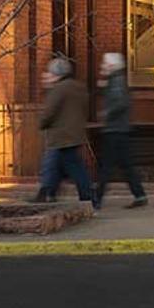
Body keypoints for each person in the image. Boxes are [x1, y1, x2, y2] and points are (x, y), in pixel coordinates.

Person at [32, 55, 95, 205]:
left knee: (68, 167)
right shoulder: (79, 87)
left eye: (51, 73)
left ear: (57, 74)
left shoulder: (59, 89)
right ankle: (48, 193)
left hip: (60, 136)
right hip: (74, 134)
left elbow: (50, 111)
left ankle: (88, 197)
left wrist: (42, 123)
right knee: (57, 166)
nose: (48, 75)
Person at [93, 52, 147, 208]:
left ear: (111, 66)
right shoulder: (115, 80)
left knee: (106, 166)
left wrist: (106, 113)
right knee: (125, 164)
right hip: (120, 128)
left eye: (105, 64)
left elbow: (119, 103)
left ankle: (97, 198)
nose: (102, 66)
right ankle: (139, 194)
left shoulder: (116, 81)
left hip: (114, 129)